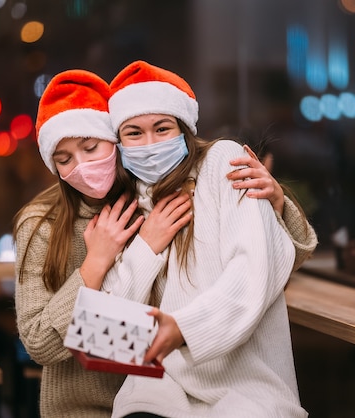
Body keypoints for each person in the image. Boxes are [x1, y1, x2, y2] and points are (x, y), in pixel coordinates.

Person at [14, 69, 313, 417]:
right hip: (91, 406)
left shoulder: (155, 192)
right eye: (63, 159)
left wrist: (274, 207)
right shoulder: (43, 222)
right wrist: (98, 261)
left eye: (91, 147)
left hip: (163, 393)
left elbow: (255, 272)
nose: (82, 166)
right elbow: (84, 337)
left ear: (111, 142)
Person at [106, 60, 308, 417]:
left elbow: (253, 271)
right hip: (156, 391)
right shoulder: (124, 207)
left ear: (184, 129)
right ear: (119, 142)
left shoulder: (223, 161)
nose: (149, 144)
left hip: (245, 389)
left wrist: (182, 328)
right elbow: (110, 333)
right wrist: (145, 247)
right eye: (134, 133)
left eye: (162, 128)